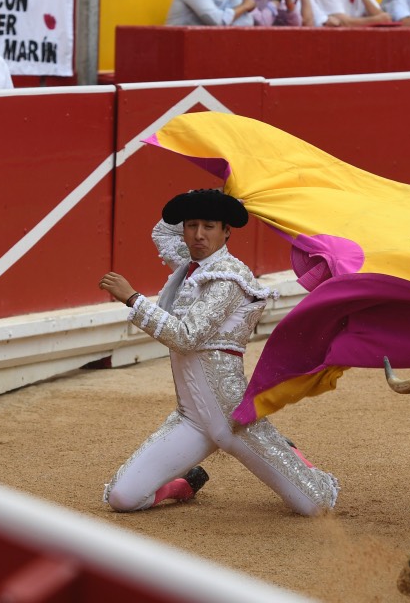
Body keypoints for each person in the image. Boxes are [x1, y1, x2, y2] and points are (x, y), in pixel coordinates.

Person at [99, 189, 339, 517]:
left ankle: (288, 453)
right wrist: (205, 194)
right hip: (192, 420)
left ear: (227, 230)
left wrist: (133, 299)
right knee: (122, 498)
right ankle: (182, 484)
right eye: (191, 225)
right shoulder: (189, 269)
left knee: (316, 505)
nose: (198, 235)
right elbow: (162, 230)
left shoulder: (229, 277)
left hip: (233, 421)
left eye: (209, 225)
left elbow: (186, 337)